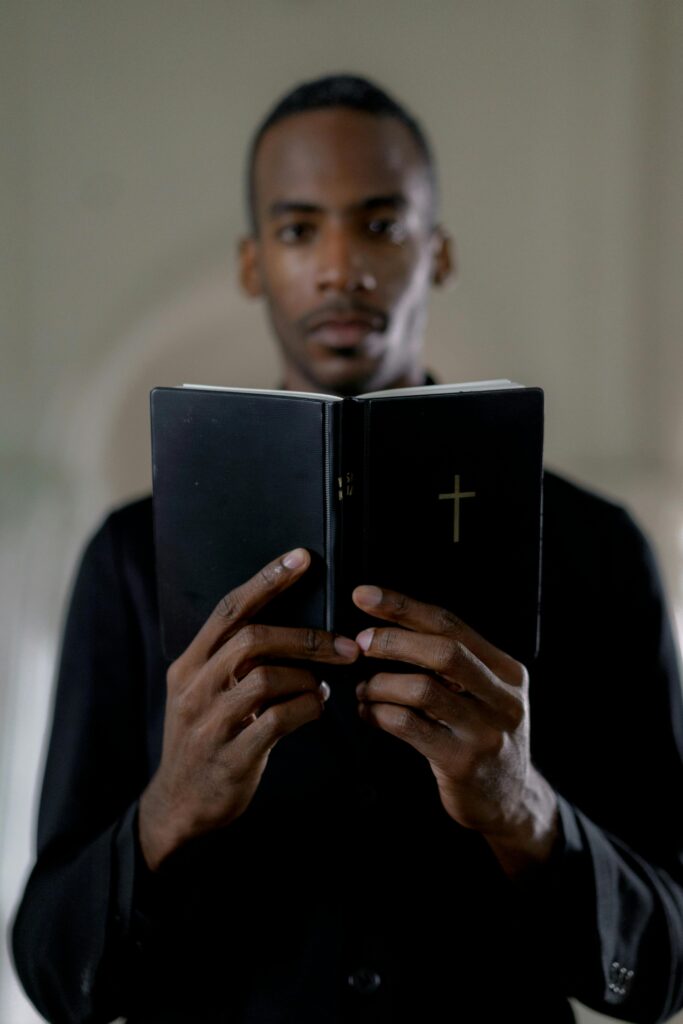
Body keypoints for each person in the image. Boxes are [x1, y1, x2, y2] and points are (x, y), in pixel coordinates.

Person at [11, 74, 683, 1024]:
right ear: (252, 264)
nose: (339, 267)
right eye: (297, 230)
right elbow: (52, 975)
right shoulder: (131, 556)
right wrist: (172, 806)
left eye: (381, 224)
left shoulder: (596, 550)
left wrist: (523, 809)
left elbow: (664, 968)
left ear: (438, 251)